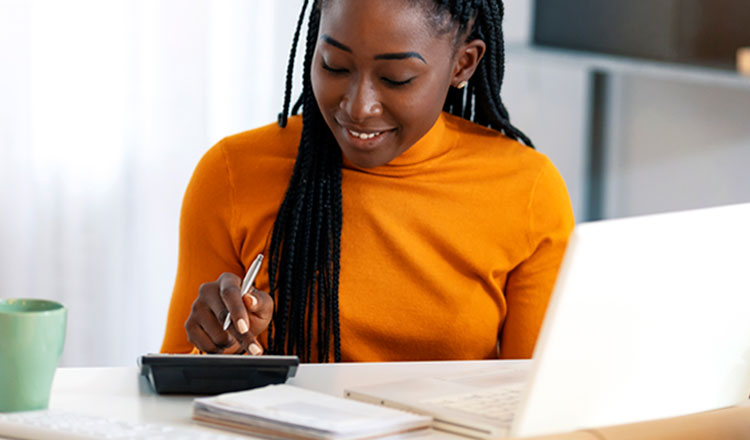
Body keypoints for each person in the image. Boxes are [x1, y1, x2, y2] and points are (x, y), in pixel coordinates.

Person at [160, 0, 574, 363]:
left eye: (396, 78)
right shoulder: (233, 173)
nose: (359, 107)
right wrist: (219, 348)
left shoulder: (527, 191)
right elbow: (174, 395)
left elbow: (540, 403)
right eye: (334, 66)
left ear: (463, 63)